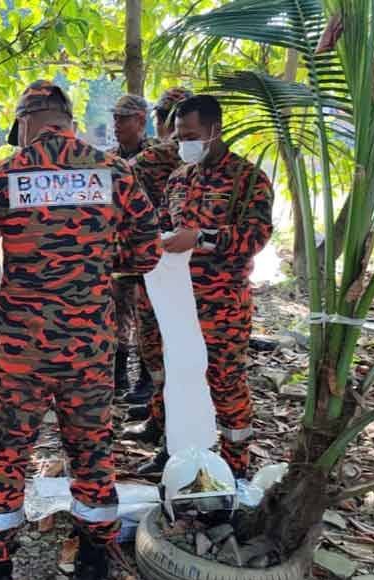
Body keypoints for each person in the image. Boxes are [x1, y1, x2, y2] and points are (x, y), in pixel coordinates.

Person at [0, 80, 160, 580]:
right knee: (92, 451)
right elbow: (147, 255)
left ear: (27, 123)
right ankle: (93, 562)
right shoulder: (115, 172)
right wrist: (94, 271)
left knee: (8, 454)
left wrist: (21, 271)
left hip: (23, 349)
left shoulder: (5, 176)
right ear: (68, 120)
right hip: (91, 344)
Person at [144, 94, 274, 479]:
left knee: (225, 381)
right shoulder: (179, 178)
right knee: (176, 378)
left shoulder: (248, 179)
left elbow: (256, 236)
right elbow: (166, 222)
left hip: (223, 304)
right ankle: (173, 457)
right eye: (178, 135)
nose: (182, 143)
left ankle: (235, 466)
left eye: (190, 135)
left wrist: (201, 238)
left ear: (215, 130)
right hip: (178, 301)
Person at [122, 87, 195, 459]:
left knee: (163, 354)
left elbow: (120, 176)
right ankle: (159, 422)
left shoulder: (160, 156)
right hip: (166, 268)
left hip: (167, 269)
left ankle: (172, 439)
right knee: (159, 352)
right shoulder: (191, 157)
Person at [108, 94, 158, 401]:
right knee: (116, 313)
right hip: (117, 252)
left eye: (123, 119)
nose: (117, 125)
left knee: (147, 316)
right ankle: (118, 377)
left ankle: (146, 380)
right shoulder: (109, 157)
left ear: (141, 120)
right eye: (114, 118)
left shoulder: (159, 156)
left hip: (146, 248)